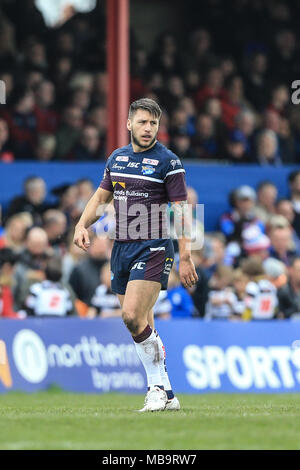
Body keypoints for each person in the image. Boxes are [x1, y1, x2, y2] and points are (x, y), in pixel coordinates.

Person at [73, 98, 198, 412]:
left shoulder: (168, 162)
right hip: (122, 248)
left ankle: (155, 387)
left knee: (130, 316)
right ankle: (167, 394)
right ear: (128, 124)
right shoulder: (117, 158)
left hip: (154, 246)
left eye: (153, 123)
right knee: (140, 322)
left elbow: (182, 212)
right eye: (142, 122)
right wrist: (81, 224)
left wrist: (186, 255)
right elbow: (102, 198)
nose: (148, 128)